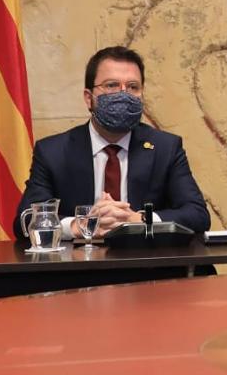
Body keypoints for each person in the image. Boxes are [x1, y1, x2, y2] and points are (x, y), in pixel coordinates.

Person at [13, 46, 210, 238]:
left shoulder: (165, 148)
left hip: (145, 259)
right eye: (111, 85)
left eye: (133, 87)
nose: (123, 94)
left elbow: (197, 215)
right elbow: (26, 219)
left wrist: (139, 220)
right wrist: (80, 225)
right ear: (89, 98)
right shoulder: (53, 152)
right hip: (80, 258)